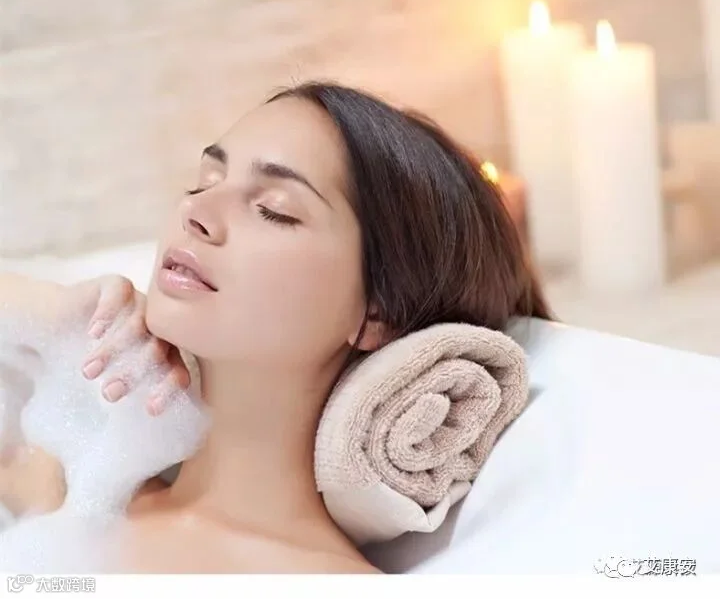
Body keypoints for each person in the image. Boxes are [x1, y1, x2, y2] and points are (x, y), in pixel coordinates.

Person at [0, 81, 551, 573]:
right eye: (204, 181)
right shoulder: (70, 489)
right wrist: (49, 308)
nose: (196, 213)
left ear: (377, 313)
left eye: (275, 209)